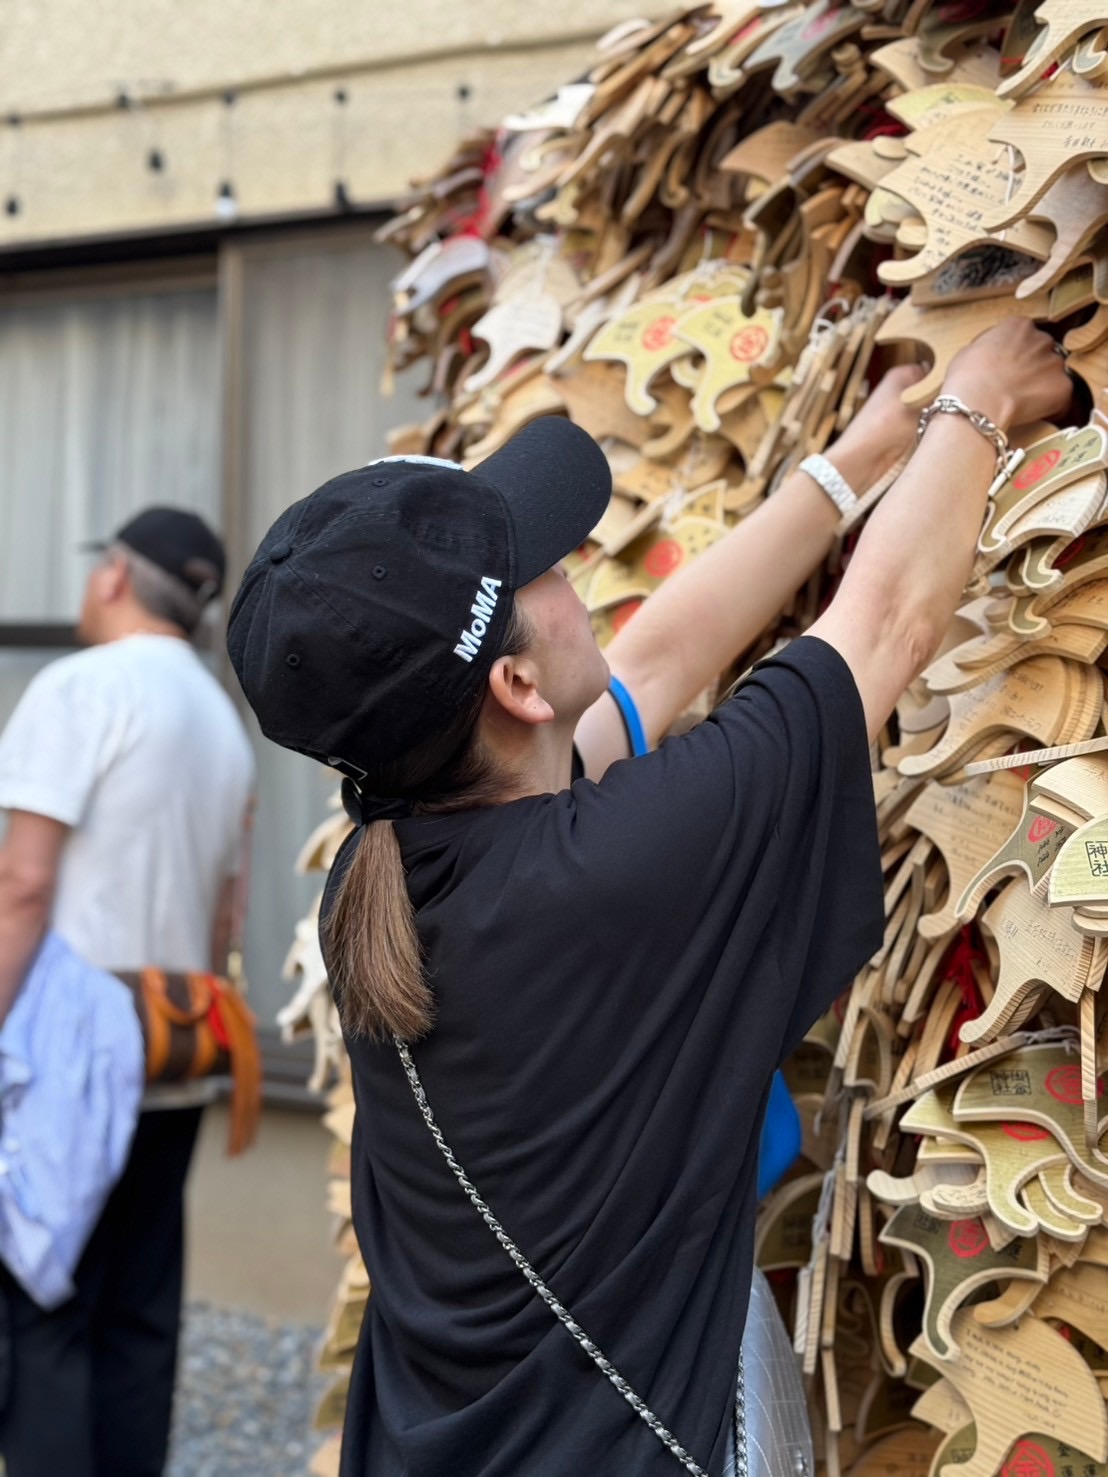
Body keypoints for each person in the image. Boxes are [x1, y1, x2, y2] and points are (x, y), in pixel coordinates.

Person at [229, 319, 1070, 1477]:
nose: (587, 588)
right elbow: (884, 624)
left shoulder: (386, 867)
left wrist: (857, 461)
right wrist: (974, 401)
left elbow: (660, 663)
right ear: (517, 685)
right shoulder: (620, 868)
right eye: (557, 575)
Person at [0, 507, 256, 1477]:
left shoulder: (78, 690)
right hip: (177, 1045)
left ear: (114, 575)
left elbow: (22, 884)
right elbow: (227, 914)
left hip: (69, 1055)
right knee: (137, 1321)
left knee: (47, 1313)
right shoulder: (218, 716)